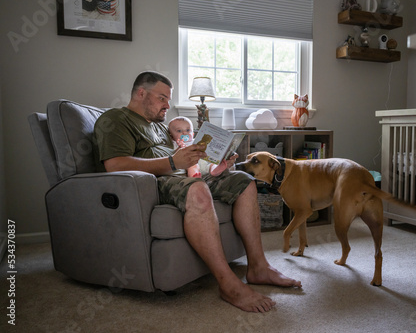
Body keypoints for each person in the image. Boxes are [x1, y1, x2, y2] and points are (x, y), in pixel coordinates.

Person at [93, 71, 301, 313]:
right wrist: (173, 163)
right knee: (199, 189)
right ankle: (227, 284)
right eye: (162, 98)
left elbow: (182, 158)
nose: (167, 105)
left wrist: (214, 158)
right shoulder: (117, 119)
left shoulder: (160, 127)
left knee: (243, 181)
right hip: (157, 182)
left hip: (186, 176)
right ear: (141, 93)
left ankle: (258, 267)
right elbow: (115, 164)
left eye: (168, 100)